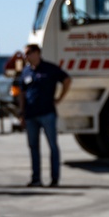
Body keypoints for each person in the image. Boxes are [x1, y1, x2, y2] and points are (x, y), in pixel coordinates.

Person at [20, 43, 71, 187]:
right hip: (31, 115)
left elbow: (67, 80)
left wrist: (60, 98)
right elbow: (22, 93)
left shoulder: (50, 68)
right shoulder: (26, 72)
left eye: (29, 53)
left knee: (53, 146)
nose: (26, 56)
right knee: (33, 147)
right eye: (25, 54)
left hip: (47, 113)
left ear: (37, 53)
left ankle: (54, 179)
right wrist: (21, 113)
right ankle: (36, 178)